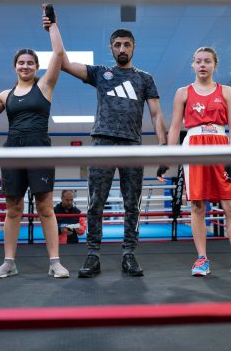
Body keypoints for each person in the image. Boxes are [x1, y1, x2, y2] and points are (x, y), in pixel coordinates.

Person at [61, 28, 167, 278]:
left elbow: (156, 114)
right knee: (96, 202)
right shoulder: (100, 73)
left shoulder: (145, 78)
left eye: (126, 44)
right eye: (117, 44)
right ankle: (93, 256)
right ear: (111, 48)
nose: (122, 49)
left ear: (133, 47)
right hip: (102, 143)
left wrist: (164, 150)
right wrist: (54, 28)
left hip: (132, 145)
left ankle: (129, 254)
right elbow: (64, 63)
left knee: (133, 204)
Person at [0, 4, 69, 279]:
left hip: (39, 148)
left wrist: (52, 26)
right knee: (13, 208)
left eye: (30, 63)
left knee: (45, 207)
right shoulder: (5, 94)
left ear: (37, 67)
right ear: (15, 66)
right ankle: (9, 263)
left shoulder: (45, 86)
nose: (25, 66)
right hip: (13, 150)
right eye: (21, 63)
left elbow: (59, 54)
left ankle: (54, 262)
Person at [163, 46, 231, 277]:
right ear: (193, 65)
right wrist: (166, 157)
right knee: (197, 205)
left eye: (207, 61)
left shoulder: (226, 92)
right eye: (198, 61)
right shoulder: (182, 93)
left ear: (215, 65)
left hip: (220, 144)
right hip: (194, 145)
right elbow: (175, 127)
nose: (202, 65)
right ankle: (201, 259)